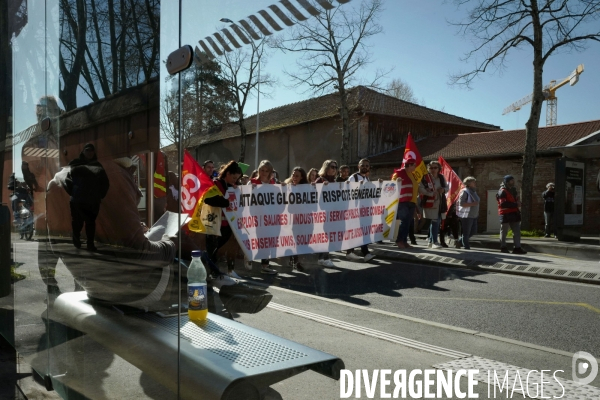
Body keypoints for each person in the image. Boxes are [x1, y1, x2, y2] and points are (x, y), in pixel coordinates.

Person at [64, 143, 110, 251]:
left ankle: (90, 244)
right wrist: (73, 193)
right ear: (83, 151)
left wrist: (100, 195)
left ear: (94, 153)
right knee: (77, 222)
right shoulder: (75, 164)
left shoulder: (97, 166)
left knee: (90, 223)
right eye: (87, 150)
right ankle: (76, 240)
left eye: (91, 151)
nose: (89, 153)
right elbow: (66, 180)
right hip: (77, 200)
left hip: (92, 201)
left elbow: (105, 183)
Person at [204, 161, 243, 279]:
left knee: (219, 249)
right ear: (228, 173)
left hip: (228, 223)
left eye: (237, 179)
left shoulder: (233, 186)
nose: (235, 181)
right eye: (234, 177)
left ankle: (216, 271)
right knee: (212, 249)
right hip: (215, 222)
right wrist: (226, 203)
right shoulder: (216, 184)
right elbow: (208, 199)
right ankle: (212, 272)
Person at [345, 159, 378, 262]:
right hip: (356, 209)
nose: (365, 167)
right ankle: (358, 252)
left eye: (367, 166)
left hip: (366, 210)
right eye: (363, 165)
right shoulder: (353, 177)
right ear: (358, 166)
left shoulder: (367, 179)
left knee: (364, 231)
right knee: (356, 231)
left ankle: (361, 252)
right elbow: (348, 191)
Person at [249, 160, 279, 274]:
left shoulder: (274, 184)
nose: (264, 172)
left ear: (270, 172)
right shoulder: (252, 182)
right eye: (262, 170)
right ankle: (249, 257)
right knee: (256, 239)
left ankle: (265, 264)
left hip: (269, 217)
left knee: (267, 240)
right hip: (255, 216)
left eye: (267, 171)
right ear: (258, 170)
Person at [314, 160, 338, 267]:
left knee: (328, 235)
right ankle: (324, 257)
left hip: (331, 213)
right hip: (322, 213)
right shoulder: (320, 180)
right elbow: (313, 193)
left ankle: (323, 257)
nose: (334, 169)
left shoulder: (335, 182)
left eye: (335, 167)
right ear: (326, 168)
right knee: (324, 236)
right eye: (332, 167)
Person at [284, 167, 309, 271]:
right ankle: (295, 261)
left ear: (302, 177)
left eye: (297, 176)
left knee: (301, 240)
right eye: (293, 175)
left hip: (304, 218)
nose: (294, 177)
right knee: (294, 239)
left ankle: (293, 259)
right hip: (292, 218)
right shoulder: (287, 186)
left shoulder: (307, 188)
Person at [419, 161, 447, 249]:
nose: (433, 169)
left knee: (435, 222)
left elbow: (447, 187)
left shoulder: (441, 178)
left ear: (439, 169)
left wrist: (443, 190)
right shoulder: (425, 178)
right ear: (428, 169)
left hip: (440, 202)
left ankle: (431, 241)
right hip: (430, 202)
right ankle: (434, 241)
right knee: (435, 221)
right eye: (431, 168)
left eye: (435, 167)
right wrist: (430, 193)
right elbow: (421, 188)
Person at [497, 175, 527, 254]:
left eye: (513, 180)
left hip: (514, 213)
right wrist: (515, 204)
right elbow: (503, 204)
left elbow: (515, 200)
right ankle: (503, 247)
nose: (513, 182)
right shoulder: (502, 191)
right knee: (504, 232)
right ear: (507, 181)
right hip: (505, 214)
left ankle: (517, 247)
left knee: (517, 231)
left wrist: (518, 203)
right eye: (511, 180)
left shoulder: (514, 190)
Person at [393, 156, 419, 249]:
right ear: (409, 165)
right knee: (404, 222)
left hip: (411, 202)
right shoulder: (399, 173)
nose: (415, 167)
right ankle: (399, 240)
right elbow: (392, 184)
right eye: (414, 165)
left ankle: (404, 241)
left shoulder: (413, 174)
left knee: (408, 223)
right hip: (402, 201)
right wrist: (396, 181)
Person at [457, 176, 480, 250]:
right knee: (466, 232)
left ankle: (459, 241)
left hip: (474, 215)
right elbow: (462, 203)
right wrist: (473, 204)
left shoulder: (473, 191)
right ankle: (466, 246)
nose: (475, 183)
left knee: (473, 231)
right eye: (473, 182)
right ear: (469, 184)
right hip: (467, 215)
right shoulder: (465, 191)